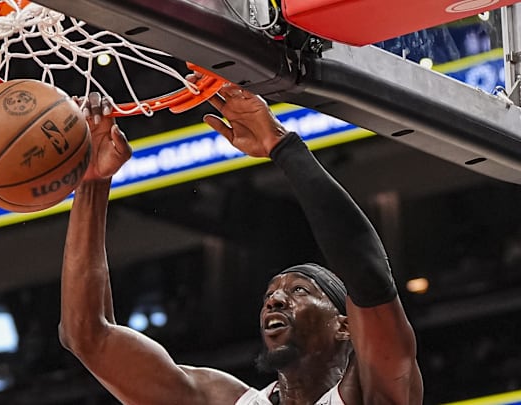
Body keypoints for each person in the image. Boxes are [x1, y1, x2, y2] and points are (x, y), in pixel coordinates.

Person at [58, 81, 424, 404]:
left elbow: (367, 276)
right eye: (270, 296)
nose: (275, 300)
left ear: (344, 326)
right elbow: (87, 335)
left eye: (299, 291)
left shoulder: (373, 391)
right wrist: (91, 182)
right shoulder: (221, 400)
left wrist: (282, 146)